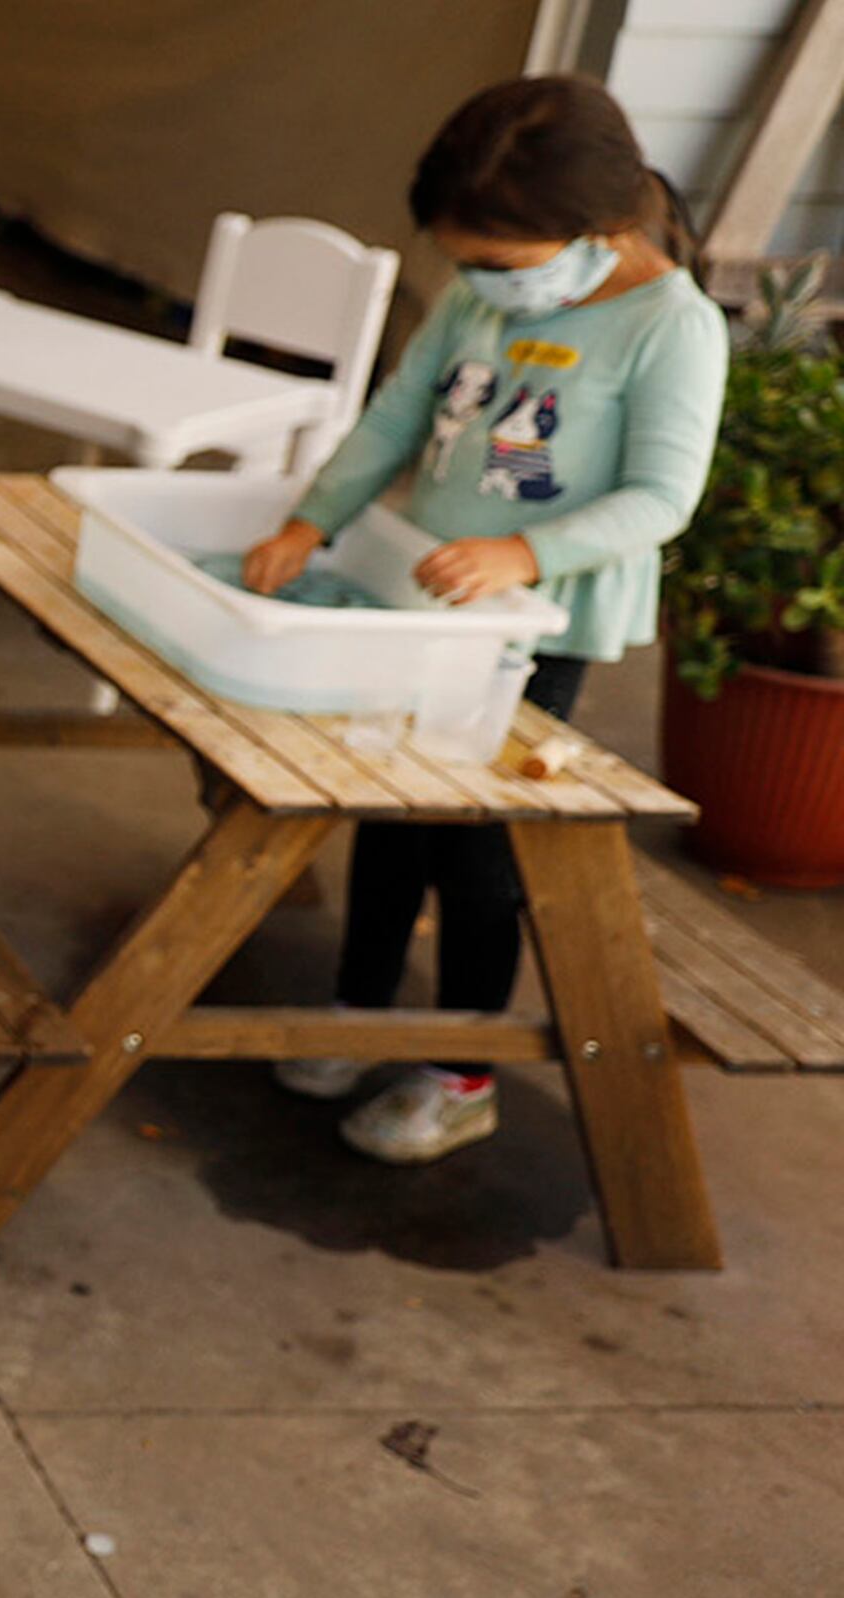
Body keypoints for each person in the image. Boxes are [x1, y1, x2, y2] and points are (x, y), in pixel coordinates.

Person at [240, 78, 726, 1164]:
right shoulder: (479, 296)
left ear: (596, 235)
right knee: (388, 818)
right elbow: (396, 417)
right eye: (461, 260)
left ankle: (460, 1072)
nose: (475, 283)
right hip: (423, 602)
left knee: (478, 854)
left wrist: (524, 551)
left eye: (498, 265)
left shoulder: (672, 328)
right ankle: (360, 1014)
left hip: (536, 629)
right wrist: (312, 520)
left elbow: (663, 498)